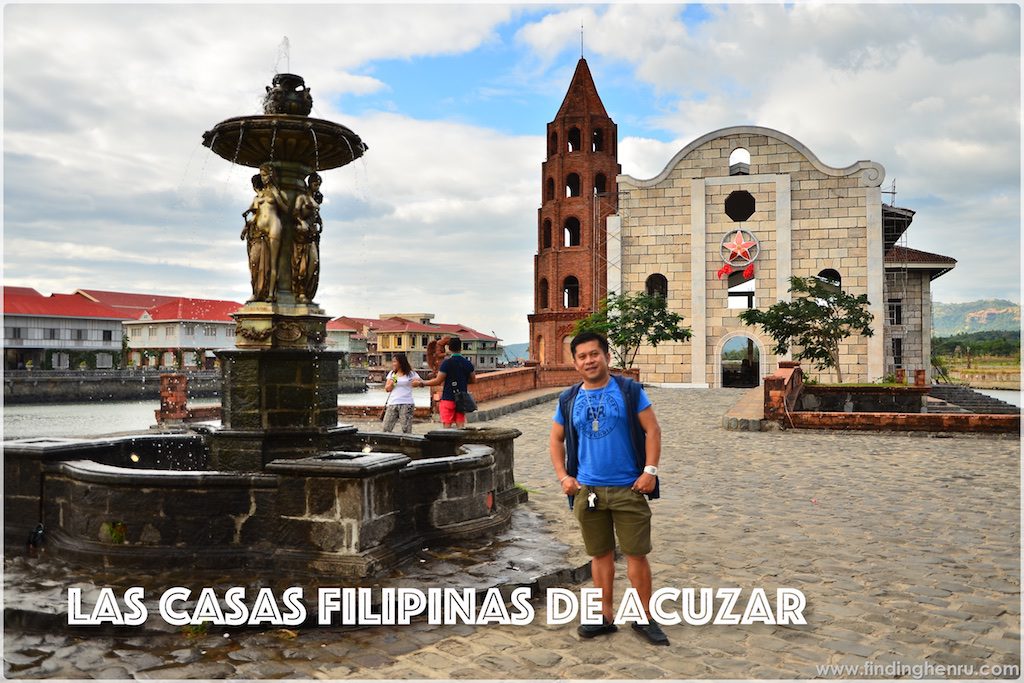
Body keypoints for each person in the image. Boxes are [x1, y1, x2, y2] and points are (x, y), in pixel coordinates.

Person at [549, 331, 669, 646]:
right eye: (582, 356)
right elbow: (556, 439)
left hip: (628, 487)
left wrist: (650, 472)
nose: (589, 360)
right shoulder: (569, 399)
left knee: (636, 554)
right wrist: (564, 477)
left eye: (594, 354)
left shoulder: (628, 391)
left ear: (606, 357)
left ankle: (644, 616)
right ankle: (604, 615)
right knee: (599, 555)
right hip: (587, 490)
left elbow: (652, 429)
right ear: (574, 363)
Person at [413, 337, 475, 428]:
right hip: (462, 398)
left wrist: (422, 383)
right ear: (461, 348)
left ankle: (448, 442)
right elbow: (473, 380)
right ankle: (460, 442)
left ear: (449, 348)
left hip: (448, 398)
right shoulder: (467, 363)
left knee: (447, 426)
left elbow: (438, 380)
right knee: (461, 425)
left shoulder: (447, 363)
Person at [382, 353, 420, 434]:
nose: (393, 364)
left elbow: (419, 383)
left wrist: (415, 383)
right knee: (386, 428)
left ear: (401, 362)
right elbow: (387, 389)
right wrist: (392, 383)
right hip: (393, 403)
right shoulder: (392, 374)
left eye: (395, 362)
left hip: (407, 403)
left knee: (406, 429)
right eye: (393, 362)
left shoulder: (411, 374)